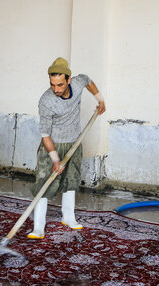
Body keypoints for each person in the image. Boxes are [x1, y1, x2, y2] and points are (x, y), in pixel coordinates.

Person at [27, 57, 106, 239]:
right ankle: (39, 227)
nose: (56, 89)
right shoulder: (46, 101)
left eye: (60, 85)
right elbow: (45, 135)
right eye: (53, 84)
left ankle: (68, 217)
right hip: (52, 146)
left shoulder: (78, 83)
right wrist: (55, 159)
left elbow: (88, 80)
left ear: (69, 80)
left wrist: (100, 100)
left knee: (71, 179)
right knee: (44, 183)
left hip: (74, 143)